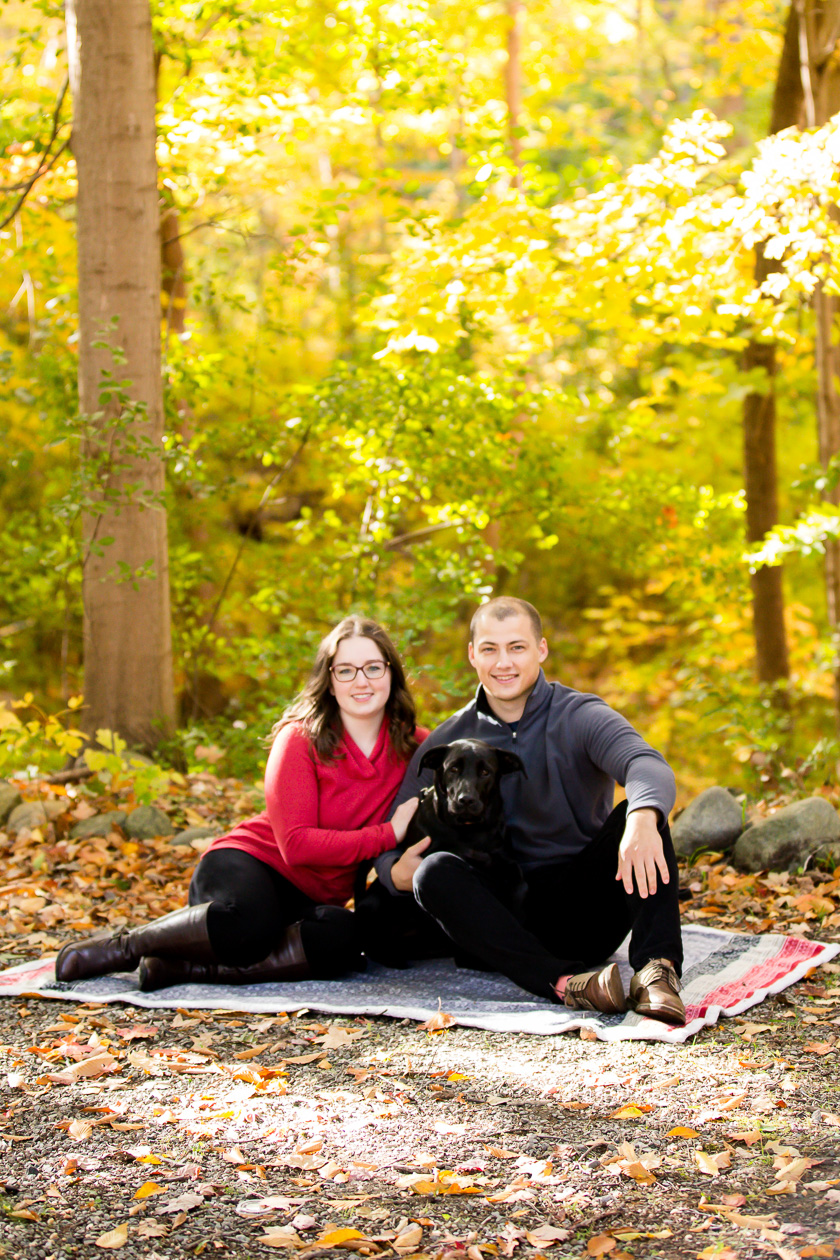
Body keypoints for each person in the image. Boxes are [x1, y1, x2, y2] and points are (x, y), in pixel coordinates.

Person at [55, 615, 424, 991]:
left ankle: (184, 970)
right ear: (329, 682)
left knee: (345, 939)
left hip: (309, 896)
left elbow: (468, 745)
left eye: (373, 667)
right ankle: (125, 947)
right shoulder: (299, 738)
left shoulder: (416, 748)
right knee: (249, 927)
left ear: (391, 674)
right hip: (247, 865)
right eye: (345, 670)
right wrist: (387, 834)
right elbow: (296, 845)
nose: (361, 681)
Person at [367, 597, 685, 1025]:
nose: (504, 663)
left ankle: (656, 972)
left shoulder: (580, 715)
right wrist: (393, 872)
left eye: (517, 647)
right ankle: (564, 984)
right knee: (431, 871)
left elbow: (646, 764)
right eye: (490, 649)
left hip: (582, 905)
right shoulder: (451, 740)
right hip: (498, 918)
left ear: (541, 650)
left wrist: (643, 817)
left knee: (642, 812)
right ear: (472, 655)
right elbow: (392, 829)